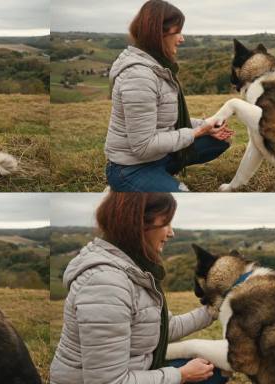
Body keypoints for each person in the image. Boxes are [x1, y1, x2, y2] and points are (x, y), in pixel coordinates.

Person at [50, 192, 228, 384]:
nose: (171, 233)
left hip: (136, 370)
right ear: (138, 224)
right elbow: (109, 382)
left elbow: (162, 329)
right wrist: (181, 375)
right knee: (211, 373)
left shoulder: (133, 269)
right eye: (166, 223)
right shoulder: (106, 285)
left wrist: (212, 311)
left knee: (215, 368)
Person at [105, 0, 234, 192]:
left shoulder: (158, 67)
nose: (182, 39)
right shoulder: (139, 76)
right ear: (158, 34)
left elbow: (167, 122)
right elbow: (143, 146)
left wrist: (204, 125)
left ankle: (159, 176)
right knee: (181, 197)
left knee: (220, 140)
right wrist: (196, 133)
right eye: (177, 32)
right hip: (130, 168)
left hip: (159, 156)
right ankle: (127, 186)